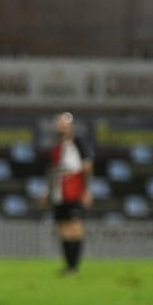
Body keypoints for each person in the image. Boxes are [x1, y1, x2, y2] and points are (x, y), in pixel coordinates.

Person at [43, 111, 92, 275]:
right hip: (59, 194)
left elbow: (87, 167)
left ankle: (75, 266)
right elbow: (53, 172)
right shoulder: (56, 148)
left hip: (74, 192)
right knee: (63, 228)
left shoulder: (78, 144)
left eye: (65, 124)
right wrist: (46, 191)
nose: (62, 127)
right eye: (60, 124)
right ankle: (69, 266)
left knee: (75, 228)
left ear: (70, 126)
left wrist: (86, 190)